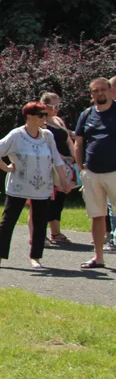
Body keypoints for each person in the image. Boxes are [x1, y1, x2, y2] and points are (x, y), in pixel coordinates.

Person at [0, 101, 69, 270]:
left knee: (40, 222)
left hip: (42, 186)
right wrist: (7, 168)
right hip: (19, 186)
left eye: (45, 115)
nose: (44, 118)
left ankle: (35, 257)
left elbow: (56, 159)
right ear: (29, 116)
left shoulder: (47, 136)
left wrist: (64, 180)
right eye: (41, 115)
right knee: (8, 221)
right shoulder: (16, 135)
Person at [75, 78, 116, 268]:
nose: (99, 93)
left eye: (102, 90)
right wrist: (81, 169)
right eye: (95, 91)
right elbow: (79, 142)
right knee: (97, 216)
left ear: (109, 90)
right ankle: (98, 257)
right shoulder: (86, 114)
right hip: (92, 173)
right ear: (91, 94)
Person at [38, 92, 76, 246]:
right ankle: (40, 234)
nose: (57, 109)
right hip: (50, 165)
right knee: (47, 199)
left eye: (59, 105)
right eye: (54, 106)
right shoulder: (41, 122)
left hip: (64, 165)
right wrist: (61, 157)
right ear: (45, 106)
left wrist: (73, 157)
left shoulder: (58, 120)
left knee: (59, 199)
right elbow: (46, 144)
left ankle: (56, 232)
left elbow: (68, 139)